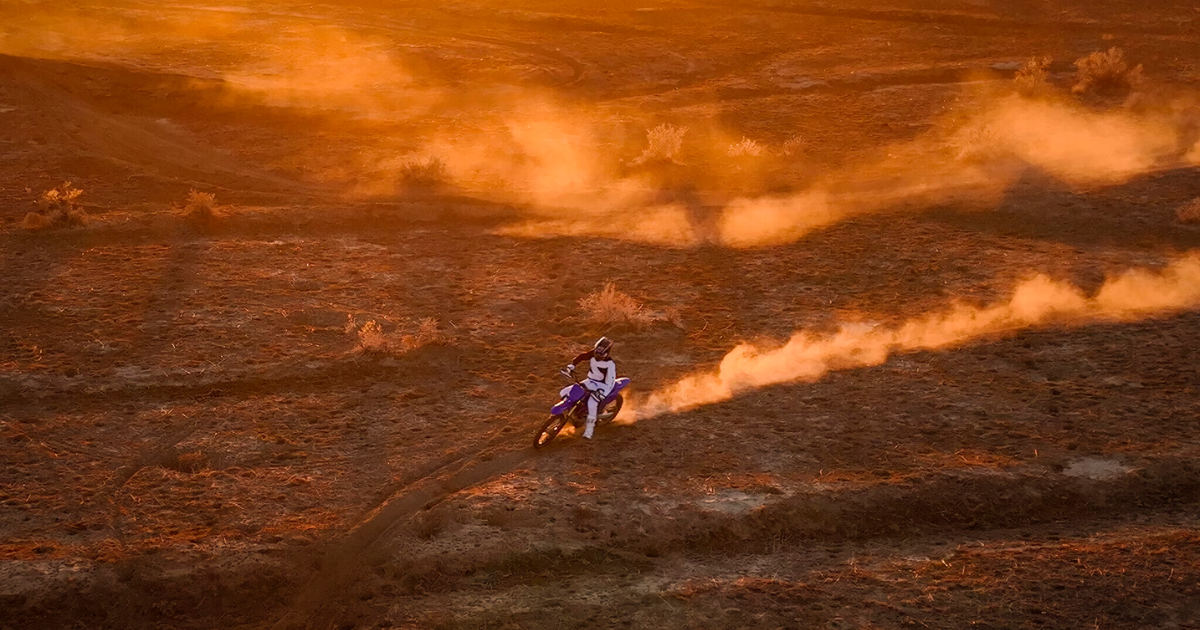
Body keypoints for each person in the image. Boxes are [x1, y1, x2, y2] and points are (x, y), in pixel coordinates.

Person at [564, 337, 616, 440]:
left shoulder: (610, 364)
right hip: (591, 381)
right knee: (576, 393)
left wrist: (603, 392)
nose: (597, 356)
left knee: (593, 401)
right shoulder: (595, 353)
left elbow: (610, 381)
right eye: (596, 352)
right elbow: (582, 356)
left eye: (600, 354)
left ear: (606, 353)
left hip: (603, 385)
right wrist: (572, 365)